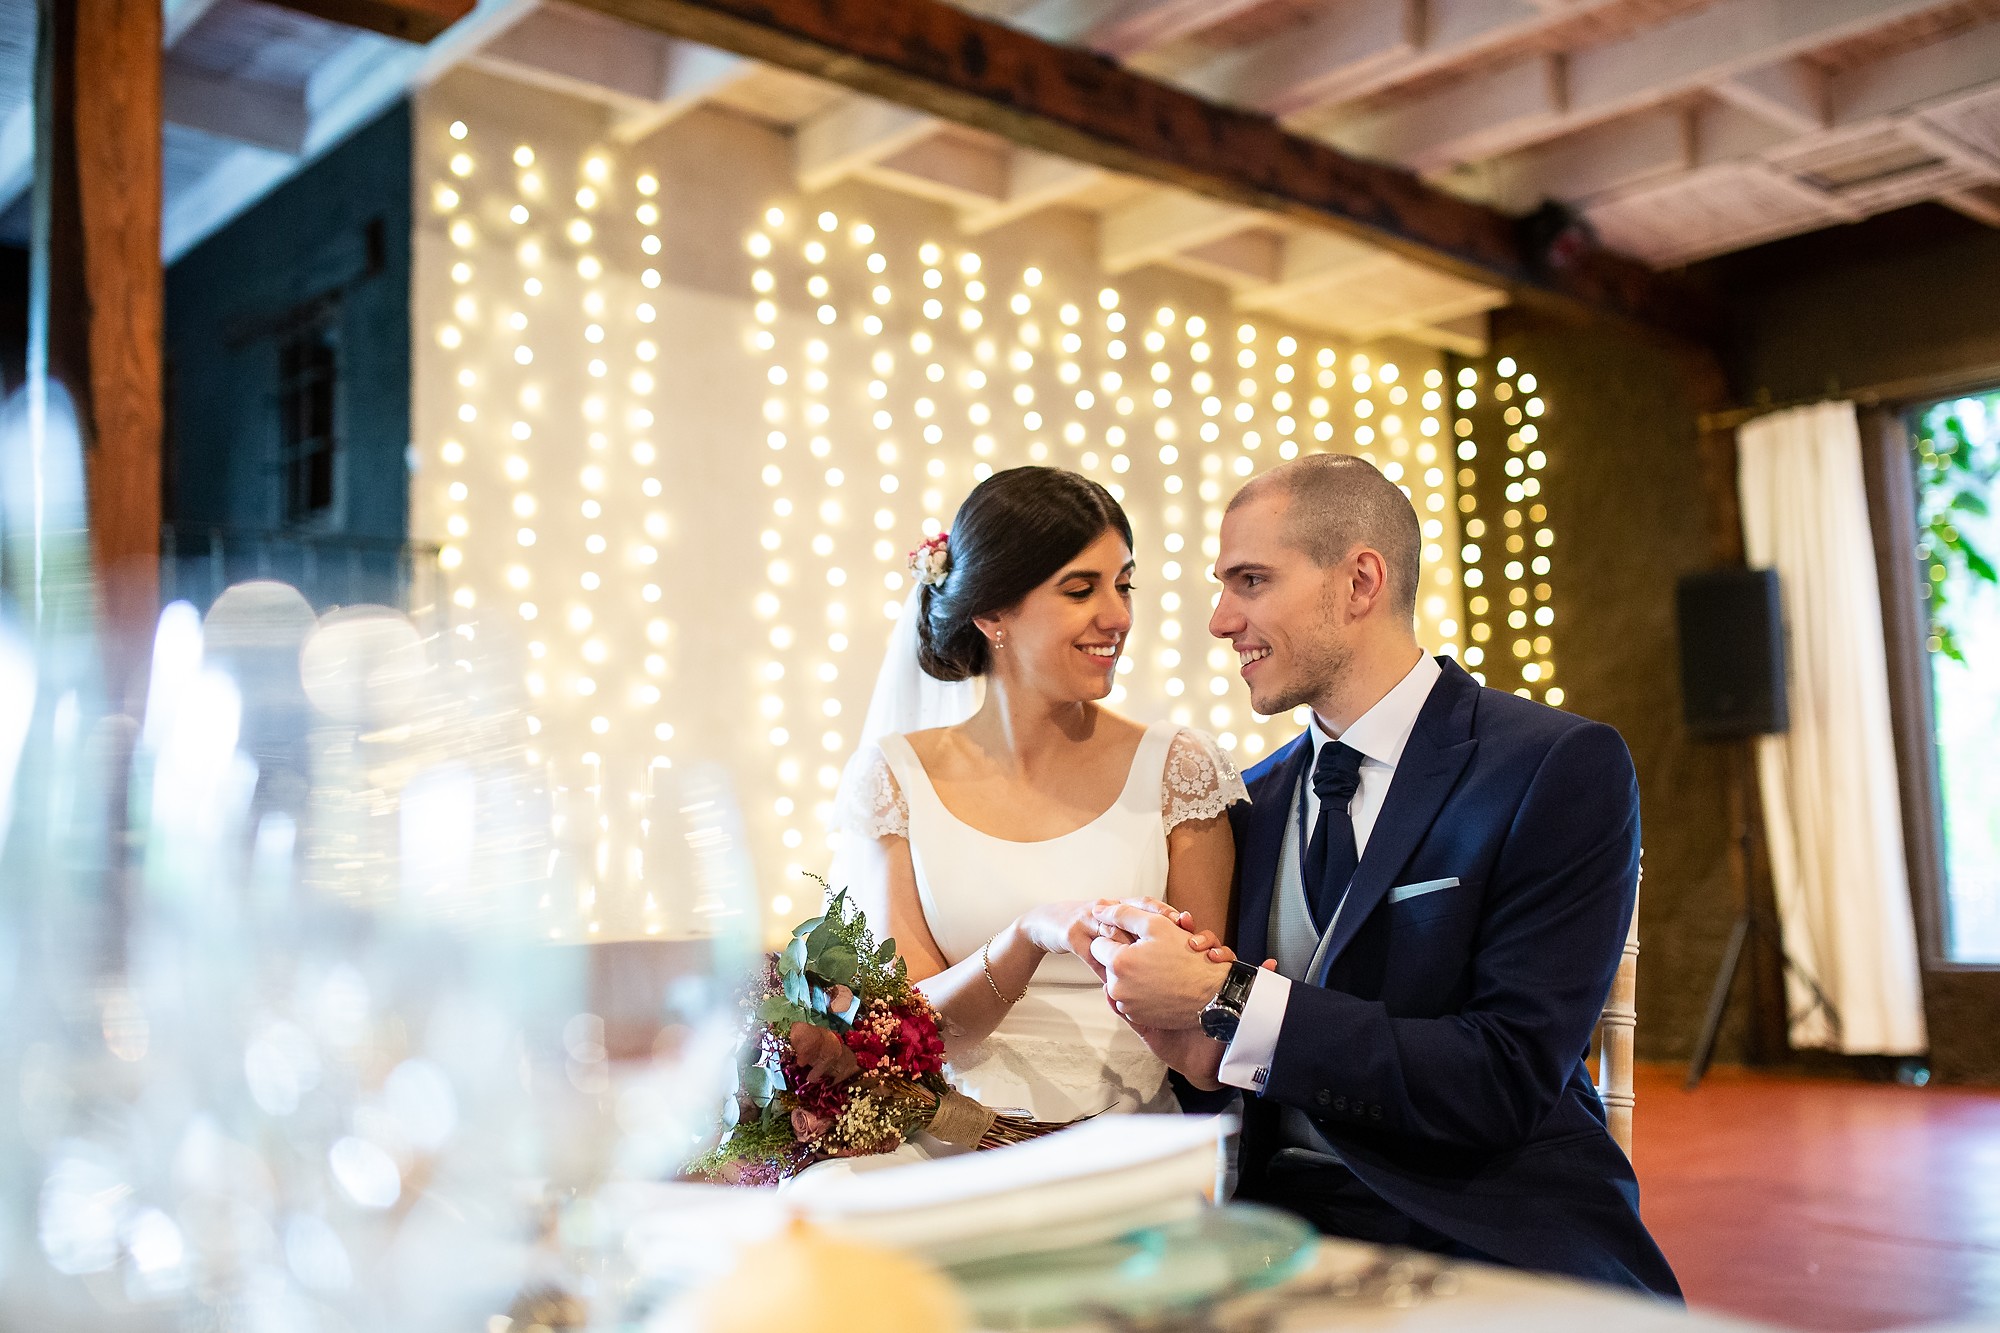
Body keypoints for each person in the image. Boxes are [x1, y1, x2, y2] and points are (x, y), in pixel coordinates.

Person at [1084, 454, 1681, 1297]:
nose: (1221, 620)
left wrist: (1226, 1001)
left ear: (1360, 580)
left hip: (1481, 1226)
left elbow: (1502, 1076)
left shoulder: (1555, 766)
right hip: (1269, 1234)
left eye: (1250, 580)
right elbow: (1226, 1068)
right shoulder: (1249, 800)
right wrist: (1182, 1035)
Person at [818, 466, 1247, 1162]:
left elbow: (1202, 1050)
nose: (1118, 616)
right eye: (1081, 589)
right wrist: (1030, 934)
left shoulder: (1180, 768)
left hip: (1129, 1142)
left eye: (1123, 584)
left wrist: (1238, 1002)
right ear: (992, 614)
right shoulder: (896, 779)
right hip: (950, 1146)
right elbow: (920, 1036)